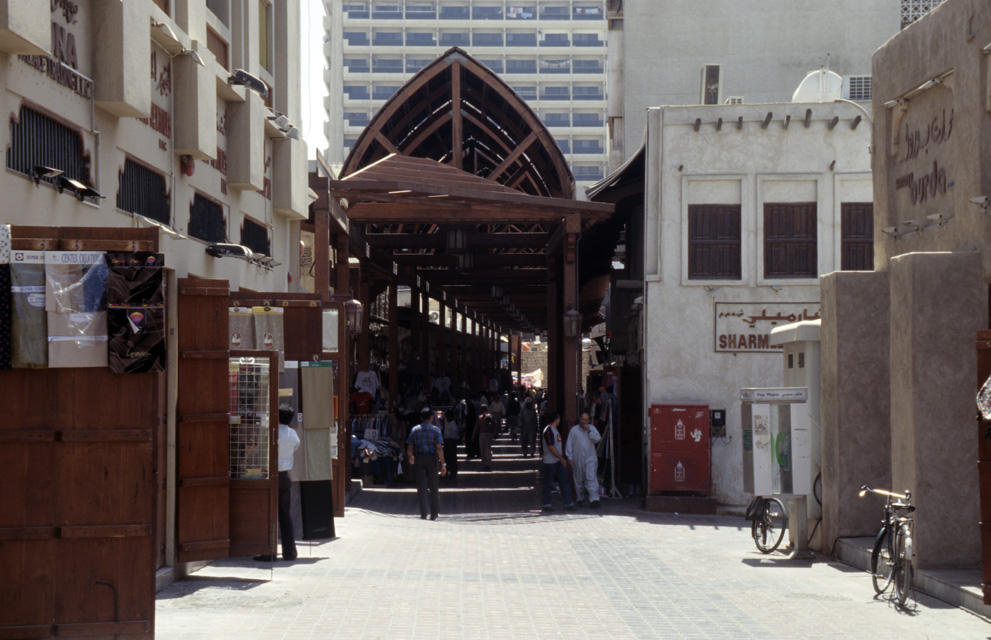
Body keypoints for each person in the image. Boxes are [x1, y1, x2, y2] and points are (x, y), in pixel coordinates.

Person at [256, 405, 301, 561]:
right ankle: (290, 552)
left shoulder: (272, 434)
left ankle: (269, 551)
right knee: (285, 515)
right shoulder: (293, 435)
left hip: (270, 475)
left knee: (269, 514)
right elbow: (295, 448)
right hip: (284, 477)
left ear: (278, 417)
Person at [407, 406, 447, 520]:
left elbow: (410, 447)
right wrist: (443, 464)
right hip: (432, 459)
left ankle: (423, 513)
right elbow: (439, 448)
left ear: (421, 418)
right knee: (434, 485)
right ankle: (434, 513)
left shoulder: (414, 430)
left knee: (422, 486)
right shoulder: (436, 430)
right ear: (431, 417)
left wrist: (411, 457)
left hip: (419, 459)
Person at [565, 412, 602, 508]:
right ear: (580, 419)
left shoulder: (592, 429)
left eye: (586, 420)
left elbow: (597, 439)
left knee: (591, 478)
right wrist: (569, 457)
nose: (584, 422)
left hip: (590, 459)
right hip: (577, 459)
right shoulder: (574, 430)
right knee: (578, 479)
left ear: (589, 421)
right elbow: (569, 444)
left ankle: (594, 499)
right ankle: (579, 498)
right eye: (582, 419)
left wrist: (589, 431)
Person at [541, 411, 574, 511]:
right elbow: (551, 446)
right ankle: (546, 503)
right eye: (559, 418)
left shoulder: (555, 430)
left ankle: (568, 502)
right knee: (548, 482)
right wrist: (561, 457)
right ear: (556, 419)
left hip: (557, 461)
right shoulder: (548, 430)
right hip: (550, 462)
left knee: (563, 481)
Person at [472, 403, 497, 471]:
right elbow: (477, 427)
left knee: (487, 449)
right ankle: (484, 464)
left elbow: (494, 425)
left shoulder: (491, 416)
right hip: (481, 434)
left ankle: (487, 464)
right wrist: (474, 435)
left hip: (488, 434)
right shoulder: (480, 418)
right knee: (482, 449)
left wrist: (490, 427)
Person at [441, 408, 460, 480]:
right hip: (447, 442)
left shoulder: (453, 424)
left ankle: (453, 473)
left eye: (448, 417)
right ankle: (445, 472)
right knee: (447, 459)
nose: (447, 418)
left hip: (451, 443)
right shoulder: (448, 423)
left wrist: (450, 445)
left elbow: (454, 436)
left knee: (452, 459)